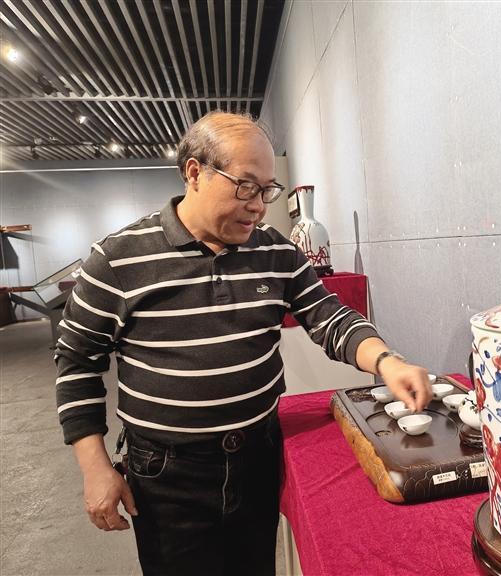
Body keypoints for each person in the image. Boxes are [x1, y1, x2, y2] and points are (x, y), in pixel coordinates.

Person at [55, 111, 433, 576]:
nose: (258, 206)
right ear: (195, 172)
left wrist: (387, 362)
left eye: (266, 190)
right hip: (167, 473)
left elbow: (330, 318)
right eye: (246, 186)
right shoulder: (118, 259)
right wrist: (95, 467)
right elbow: (77, 363)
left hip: (258, 454)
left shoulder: (275, 252)